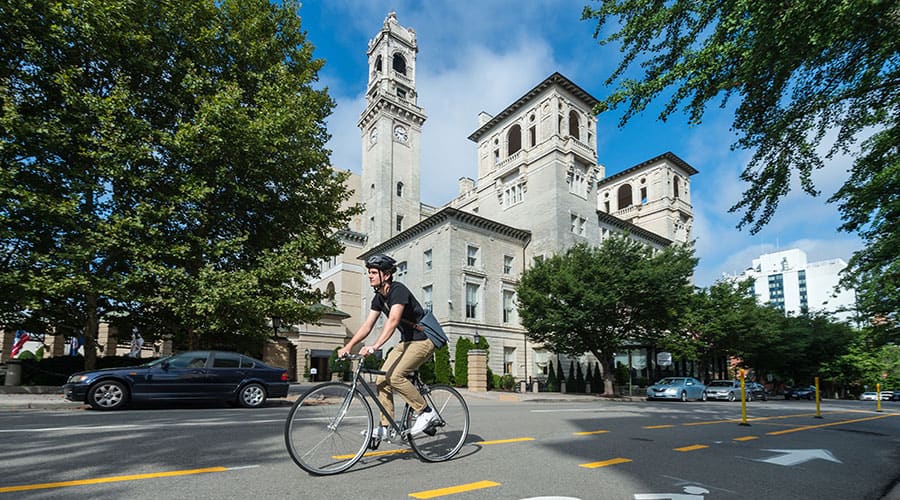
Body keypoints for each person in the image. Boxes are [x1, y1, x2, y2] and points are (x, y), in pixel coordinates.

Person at [337, 254, 437, 441]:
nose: (370, 276)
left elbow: (392, 321)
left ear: (387, 275)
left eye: (374, 272)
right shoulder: (378, 298)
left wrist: (375, 346)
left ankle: (426, 412)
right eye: (369, 273)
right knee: (382, 380)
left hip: (423, 340)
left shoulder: (398, 291)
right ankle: (386, 426)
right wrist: (348, 346)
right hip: (406, 342)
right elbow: (367, 326)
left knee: (395, 376)